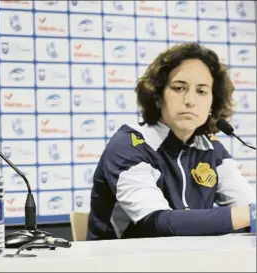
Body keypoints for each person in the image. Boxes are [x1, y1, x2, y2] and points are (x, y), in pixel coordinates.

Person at [88, 42, 256, 240]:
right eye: (179, 88)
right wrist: (250, 215)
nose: (190, 100)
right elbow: (156, 224)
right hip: (120, 262)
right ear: (157, 96)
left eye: (201, 91)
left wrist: (250, 214)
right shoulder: (129, 145)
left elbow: (247, 205)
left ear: (212, 103)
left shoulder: (213, 149)